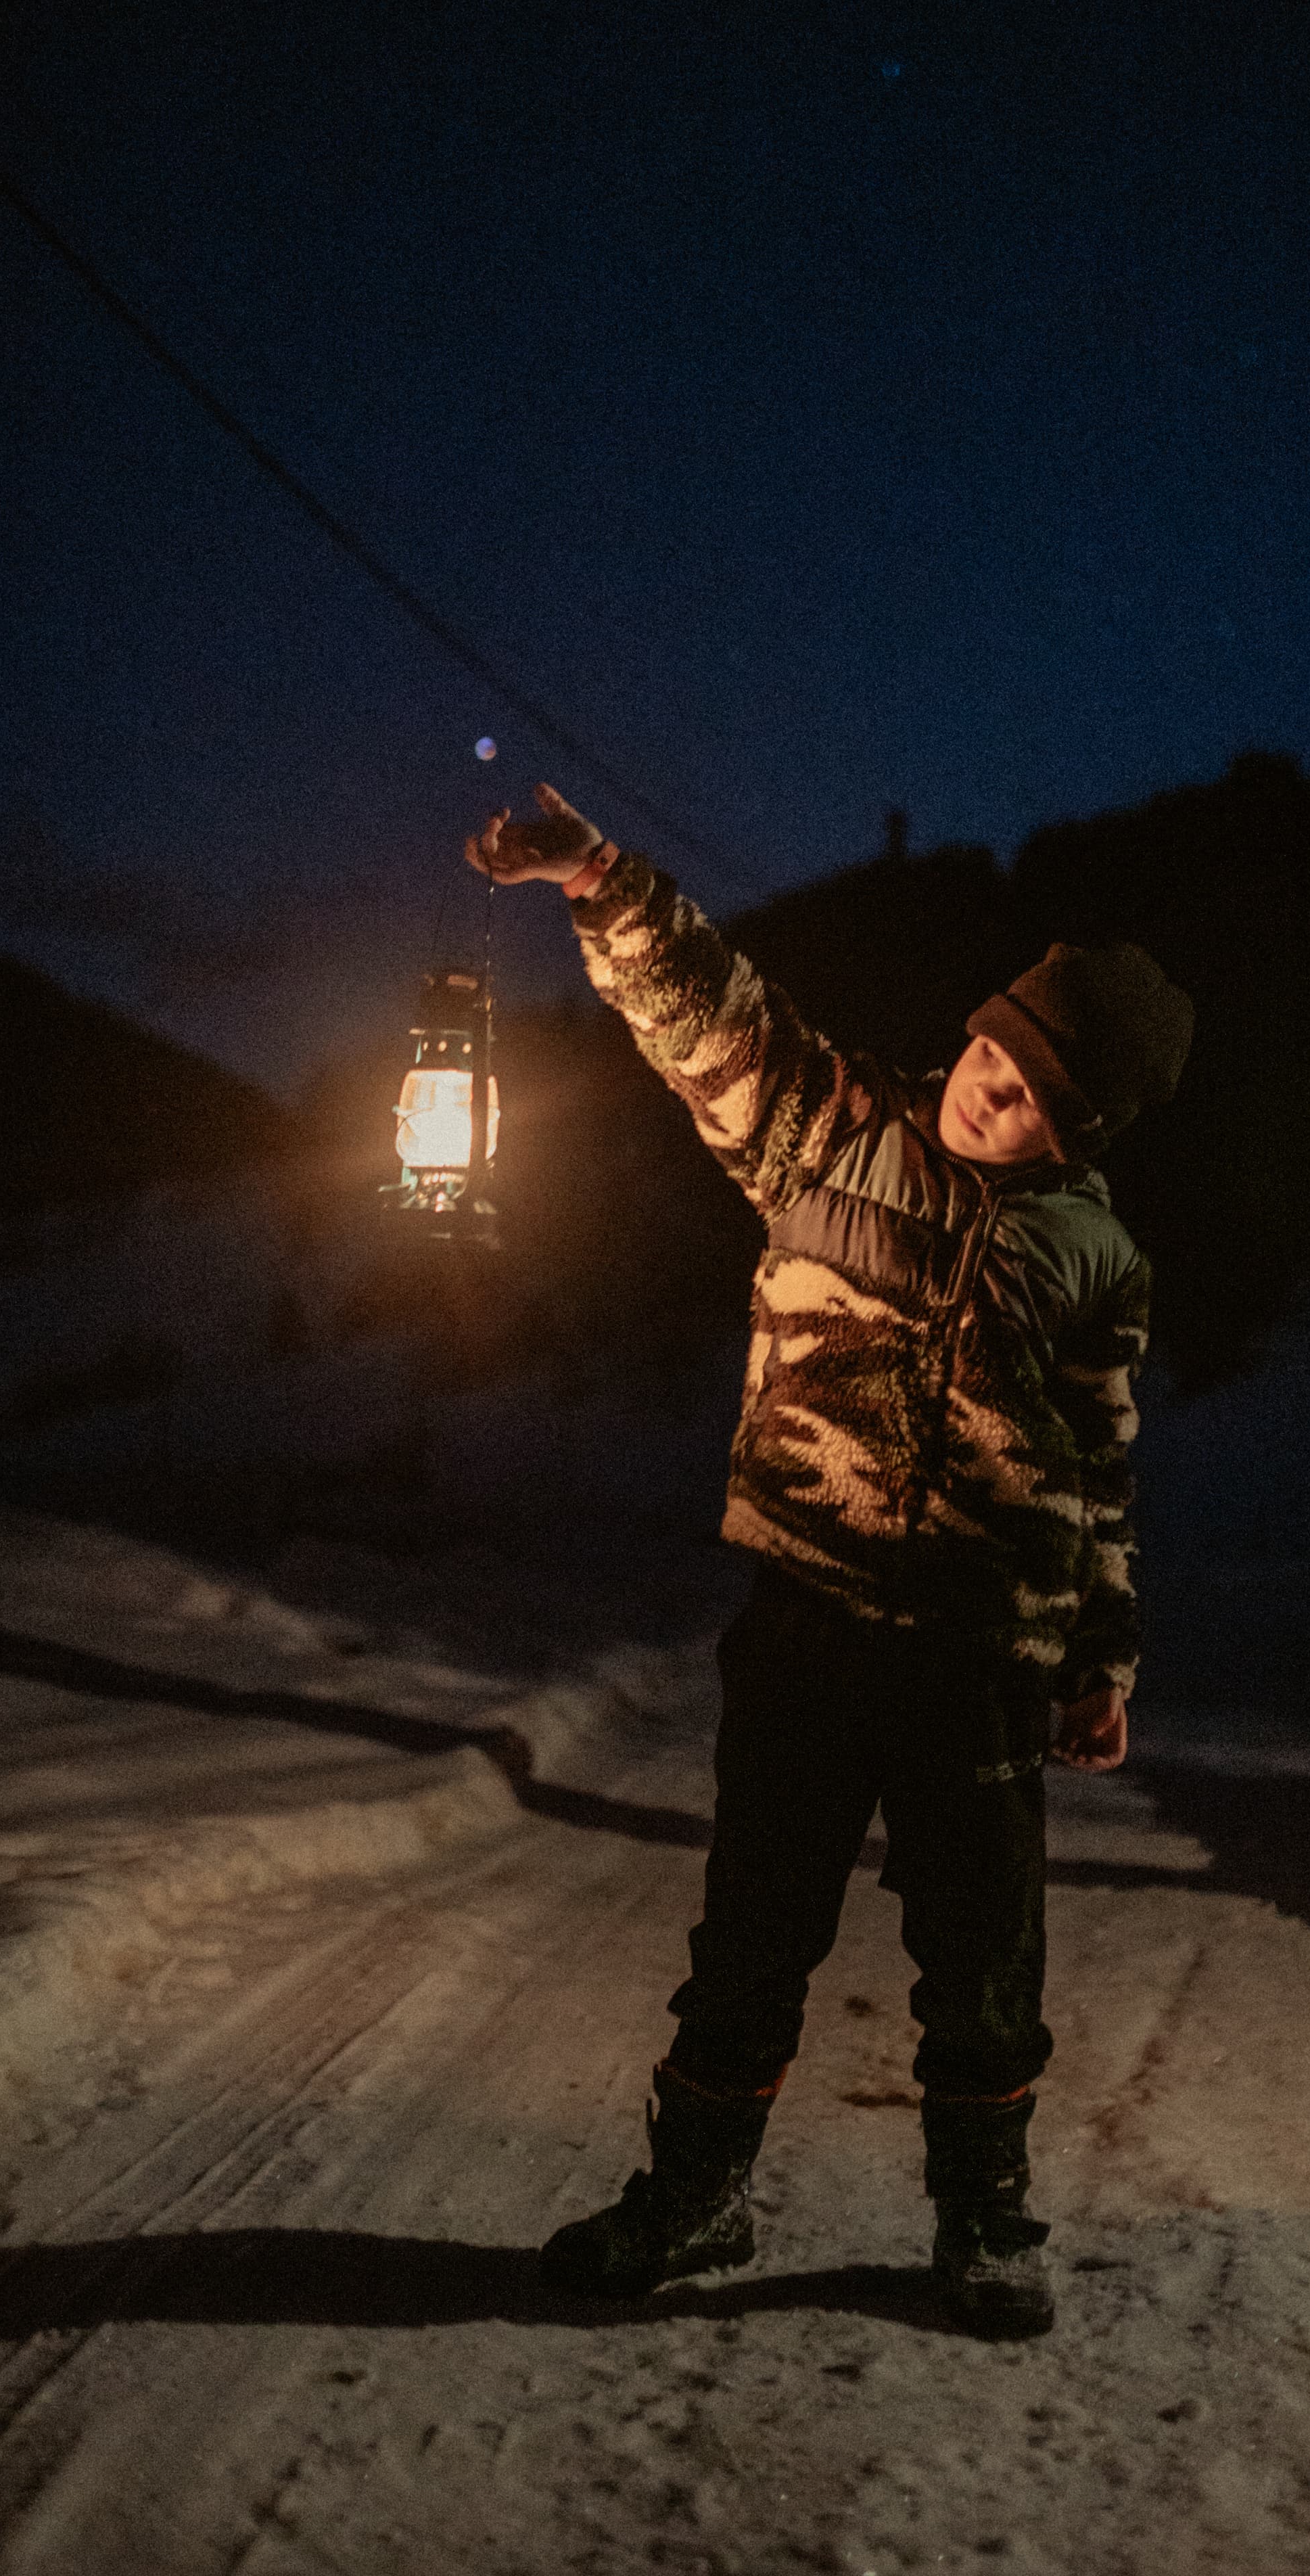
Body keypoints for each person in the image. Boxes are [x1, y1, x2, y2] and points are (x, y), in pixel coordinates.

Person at [468, 785, 1193, 2337]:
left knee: (983, 1952)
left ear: (1084, 1131)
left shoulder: (1097, 1262)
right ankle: (697, 2191)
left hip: (984, 1653)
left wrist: (1101, 1654)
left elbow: (1101, 1469)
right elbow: (708, 1013)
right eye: (996, 1055)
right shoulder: (834, 1132)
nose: (994, 1094)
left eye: (1037, 1096)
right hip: (807, 1618)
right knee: (754, 1929)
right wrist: (597, 878)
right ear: (975, 1028)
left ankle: (986, 2220)